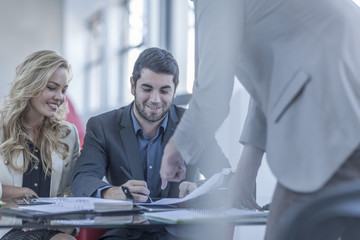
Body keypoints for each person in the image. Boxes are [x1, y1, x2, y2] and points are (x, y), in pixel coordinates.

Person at [159, 0, 360, 239]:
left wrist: (175, 148)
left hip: (333, 109)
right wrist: (246, 172)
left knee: (287, 225)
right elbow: (271, 86)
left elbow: (214, 91)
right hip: (342, 90)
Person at [70, 47, 230, 239]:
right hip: (127, 231)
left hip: (181, 232)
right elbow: (82, 178)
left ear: (174, 90)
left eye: (164, 91)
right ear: (132, 85)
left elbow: (225, 177)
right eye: (147, 89)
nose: (155, 100)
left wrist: (198, 189)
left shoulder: (194, 126)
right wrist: (113, 192)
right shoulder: (103, 126)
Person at [0, 50, 80, 239]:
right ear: (31, 84)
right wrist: (14, 192)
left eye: (64, 90)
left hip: (53, 229)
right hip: (7, 229)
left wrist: (67, 226)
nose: (60, 97)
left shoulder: (68, 134)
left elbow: (74, 191)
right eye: (52, 87)